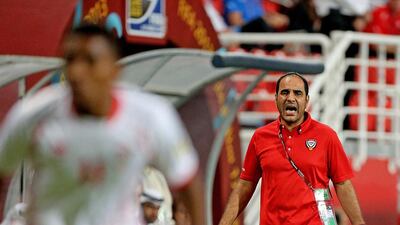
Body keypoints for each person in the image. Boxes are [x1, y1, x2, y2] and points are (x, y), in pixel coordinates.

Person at [0, 24, 203, 225]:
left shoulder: (151, 117)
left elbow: (187, 181)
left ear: (114, 71)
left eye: (90, 61)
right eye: (70, 60)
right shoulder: (33, 115)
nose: (77, 72)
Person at [218, 72, 365, 225]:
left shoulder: (327, 136)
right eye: (285, 92)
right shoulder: (260, 137)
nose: (291, 97)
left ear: (307, 100)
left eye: (298, 93)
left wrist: (359, 223)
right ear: (276, 99)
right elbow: (245, 186)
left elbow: (342, 184)